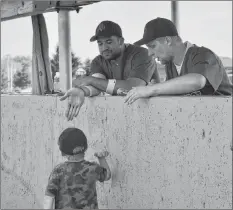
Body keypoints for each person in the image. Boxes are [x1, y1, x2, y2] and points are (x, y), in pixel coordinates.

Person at [60, 20, 160, 120]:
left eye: (109, 42)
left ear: (120, 41)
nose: (104, 48)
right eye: (100, 43)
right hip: (124, 115)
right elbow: (96, 86)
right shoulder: (98, 61)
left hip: (153, 113)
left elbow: (133, 88)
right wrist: (80, 91)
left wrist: (91, 80)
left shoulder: (141, 53)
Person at [124, 17, 232, 104]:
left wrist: (153, 89)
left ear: (167, 40)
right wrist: (148, 89)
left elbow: (197, 81)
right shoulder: (170, 65)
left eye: (152, 46)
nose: (150, 53)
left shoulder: (202, 54)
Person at [43, 127, 111, 209]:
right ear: (85, 147)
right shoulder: (92, 168)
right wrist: (101, 159)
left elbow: (49, 197)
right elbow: (107, 176)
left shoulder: (58, 171)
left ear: (63, 152)